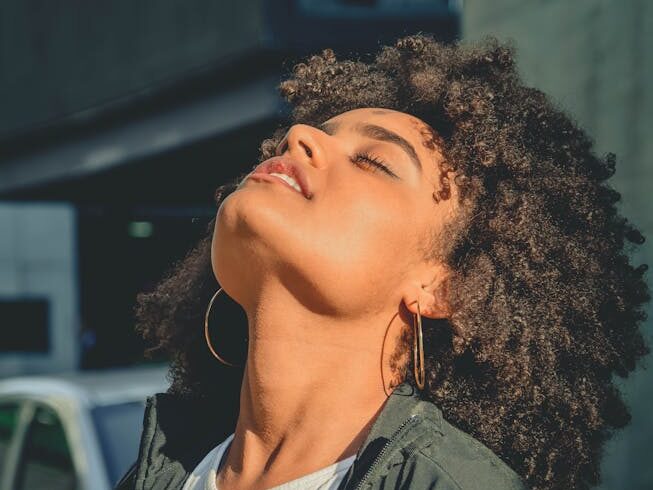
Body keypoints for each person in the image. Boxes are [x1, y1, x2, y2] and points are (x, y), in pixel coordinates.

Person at [115, 34, 650, 490]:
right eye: (306, 133)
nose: (298, 136)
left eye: (373, 161)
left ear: (443, 288)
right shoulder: (158, 471)